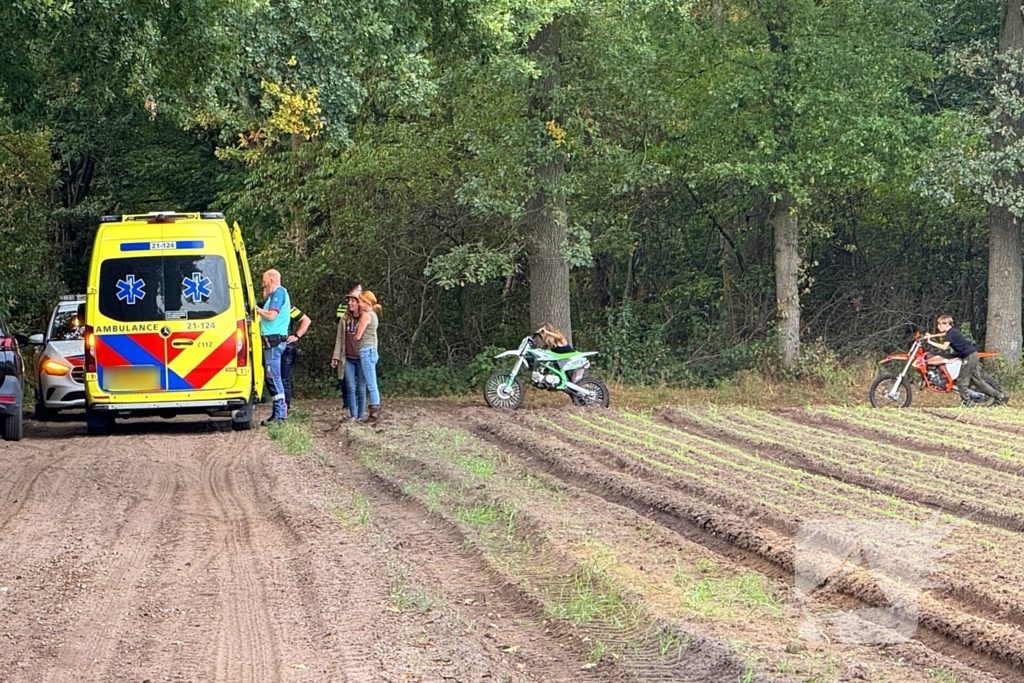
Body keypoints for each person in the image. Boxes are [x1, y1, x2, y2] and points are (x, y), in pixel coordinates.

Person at [924, 315, 1009, 406]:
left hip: (968, 356)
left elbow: (944, 347)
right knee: (978, 381)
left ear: (946, 324)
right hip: (973, 354)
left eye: (940, 324)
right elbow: (944, 334)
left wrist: (930, 342)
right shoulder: (951, 331)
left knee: (961, 381)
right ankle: (1000, 396)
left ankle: (967, 402)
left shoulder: (951, 333)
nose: (938, 327)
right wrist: (932, 335)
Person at [256, 269, 291, 424]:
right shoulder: (275, 295)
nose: (264, 286)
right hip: (272, 342)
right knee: (272, 377)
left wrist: (256, 309)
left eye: (264, 283)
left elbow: (271, 316)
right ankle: (277, 413)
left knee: (274, 377)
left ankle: (280, 414)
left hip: (274, 342)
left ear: (271, 280)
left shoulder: (278, 293)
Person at [331, 283, 363, 421]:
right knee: (350, 386)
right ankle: (353, 416)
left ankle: (361, 415)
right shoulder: (344, 319)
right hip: (348, 357)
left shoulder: (366, 318)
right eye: (349, 300)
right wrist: (336, 356)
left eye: (352, 300)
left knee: (361, 388)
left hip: (361, 358)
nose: (349, 303)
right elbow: (339, 338)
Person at [355, 290, 382, 427]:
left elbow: (358, 335)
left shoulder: (366, 316)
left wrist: (355, 331)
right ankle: (373, 414)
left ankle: (374, 416)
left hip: (366, 351)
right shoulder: (374, 315)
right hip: (371, 350)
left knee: (371, 384)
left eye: (360, 301)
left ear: (366, 302)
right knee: (370, 383)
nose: (358, 304)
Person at [280, 303, 311, 412]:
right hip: (268, 346)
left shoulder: (287, 307)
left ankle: (285, 408)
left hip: (286, 346)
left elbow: (306, 320)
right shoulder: (262, 305)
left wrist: (296, 335)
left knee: (284, 378)